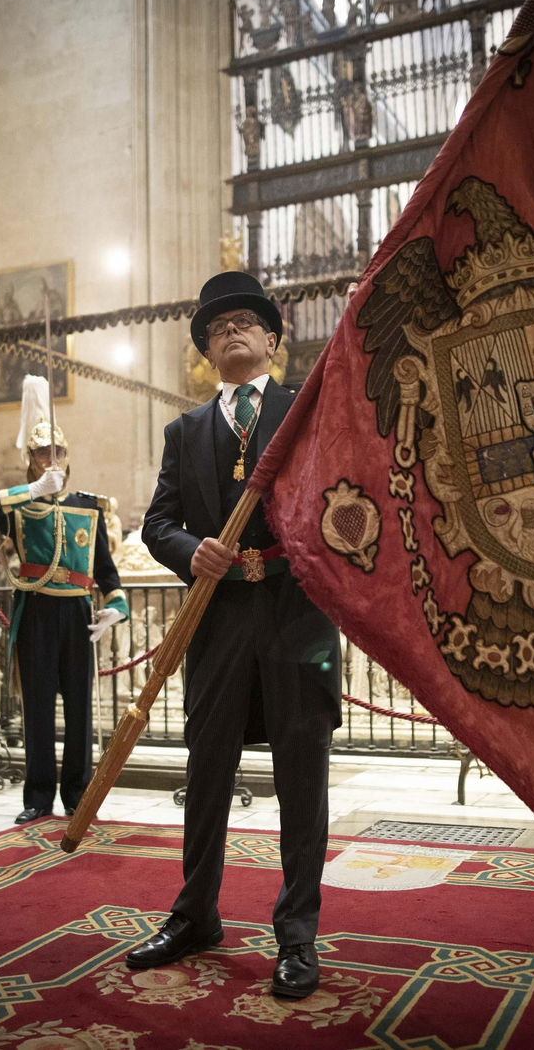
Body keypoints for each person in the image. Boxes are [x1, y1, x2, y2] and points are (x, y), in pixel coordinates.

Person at [129, 271, 341, 999]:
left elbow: (342, 498)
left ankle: (298, 935)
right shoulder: (184, 432)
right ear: (206, 352)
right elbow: (156, 523)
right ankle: (195, 916)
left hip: (296, 618)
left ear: (274, 341)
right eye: (218, 327)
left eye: (247, 322)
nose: (233, 331)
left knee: (300, 777)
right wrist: (191, 551)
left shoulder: (305, 412)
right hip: (216, 623)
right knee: (208, 770)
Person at [0, 375, 128, 826]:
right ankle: (39, 796)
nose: (53, 459)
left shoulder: (89, 506)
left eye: (59, 452)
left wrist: (115, 611)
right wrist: (33, 491)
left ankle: (78, 793)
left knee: (80, 709)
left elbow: (107, 572)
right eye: (44, 452)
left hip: (78, 612)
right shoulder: (21, 504)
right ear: (31, 459)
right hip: (37, 609)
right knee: (39, 708)